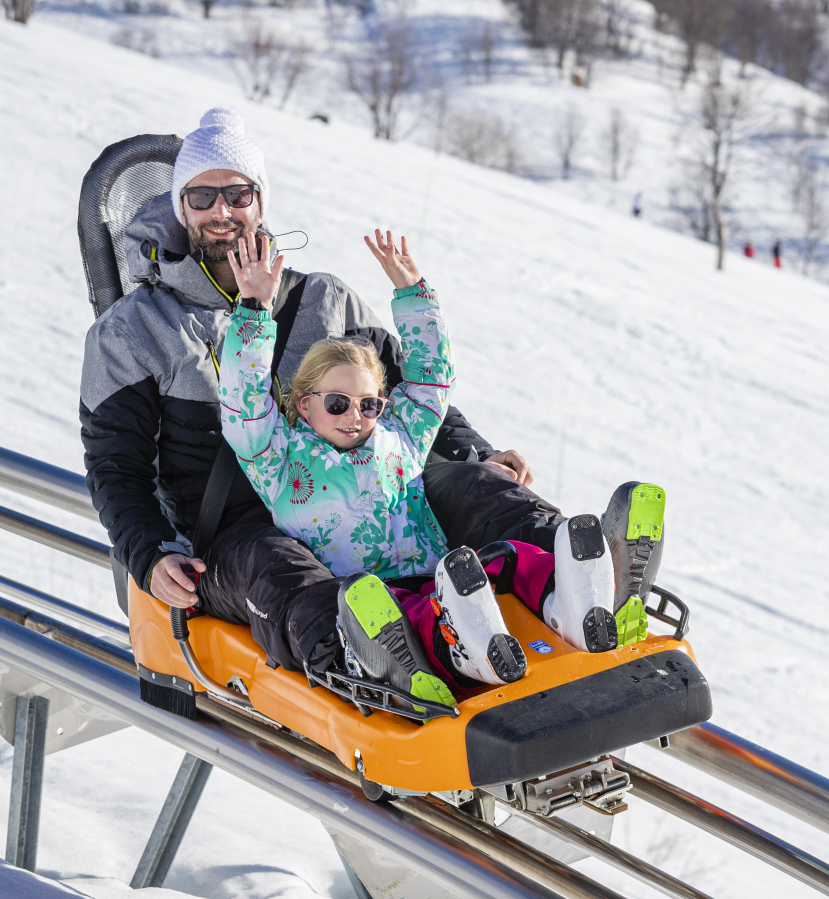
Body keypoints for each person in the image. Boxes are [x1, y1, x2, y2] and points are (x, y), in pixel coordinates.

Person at [82, 109, 543, 679]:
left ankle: (574, 576)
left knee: (474, 485)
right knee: (277, 565)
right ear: (181, 208)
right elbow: (114, 464)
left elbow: (409, 393)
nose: (221, 212)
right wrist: (148, 553)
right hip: (234, 536)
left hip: (362, 501)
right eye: (201, 197)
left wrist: (475, 453)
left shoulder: (325, 301)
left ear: (260, 201)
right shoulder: (135, 331)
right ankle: (370, 665)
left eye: (237, 194)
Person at [217, 228, 662, 705]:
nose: (355, 416)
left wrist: (413, 295)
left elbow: (431, 381)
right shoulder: (278, 461)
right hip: (376, 605)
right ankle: (469, 655)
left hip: (446, 576)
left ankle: (579, 603)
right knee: (421, 617)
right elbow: (243, 401)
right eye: (338, 403)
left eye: (369, 405)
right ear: (304, 406)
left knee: (514, 557)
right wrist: (254, 309)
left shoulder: (399, 438)